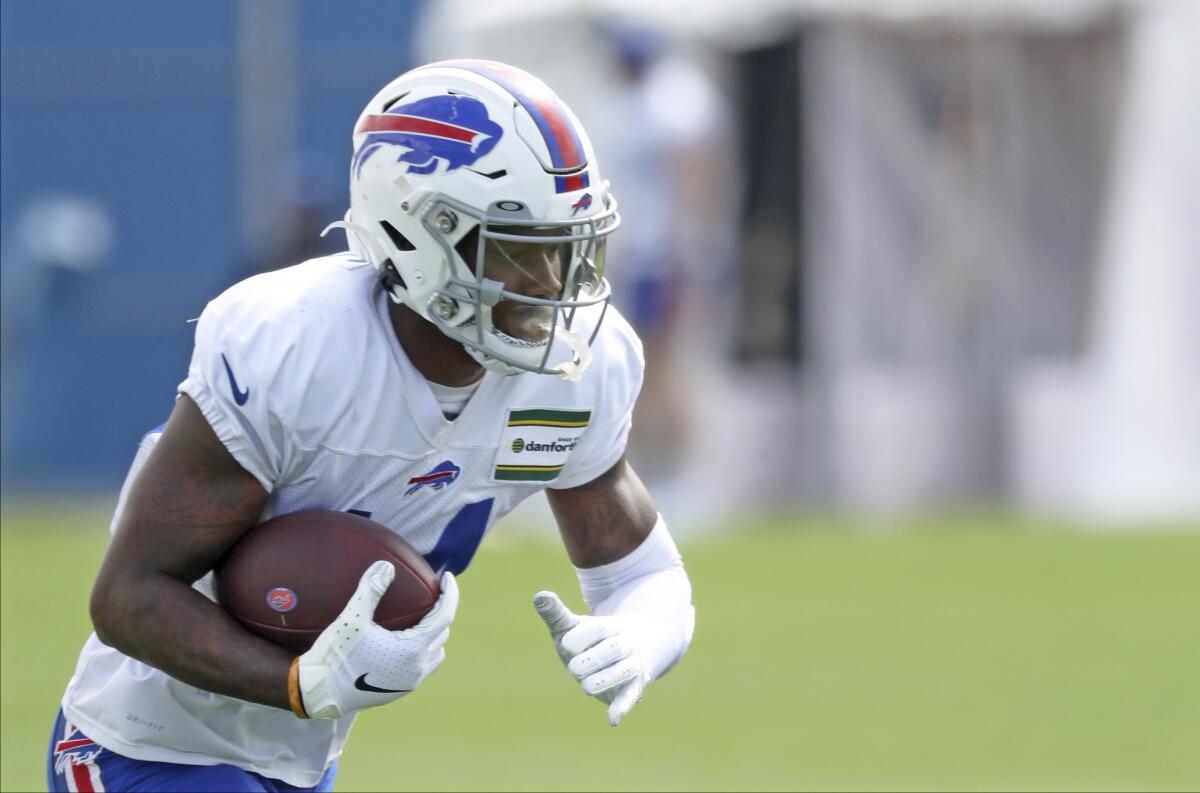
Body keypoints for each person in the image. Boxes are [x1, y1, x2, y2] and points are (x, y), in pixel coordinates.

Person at [50, 59, 696, 793]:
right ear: (419, 233)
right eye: (519, 251)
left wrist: (641, 633)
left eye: (565, 248)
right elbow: (129, 593)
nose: (552, 284)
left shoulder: (584, 365)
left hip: (300, 764)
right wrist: (301, 683)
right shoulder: (295, 346)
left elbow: (642, 572)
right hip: (147, 747)